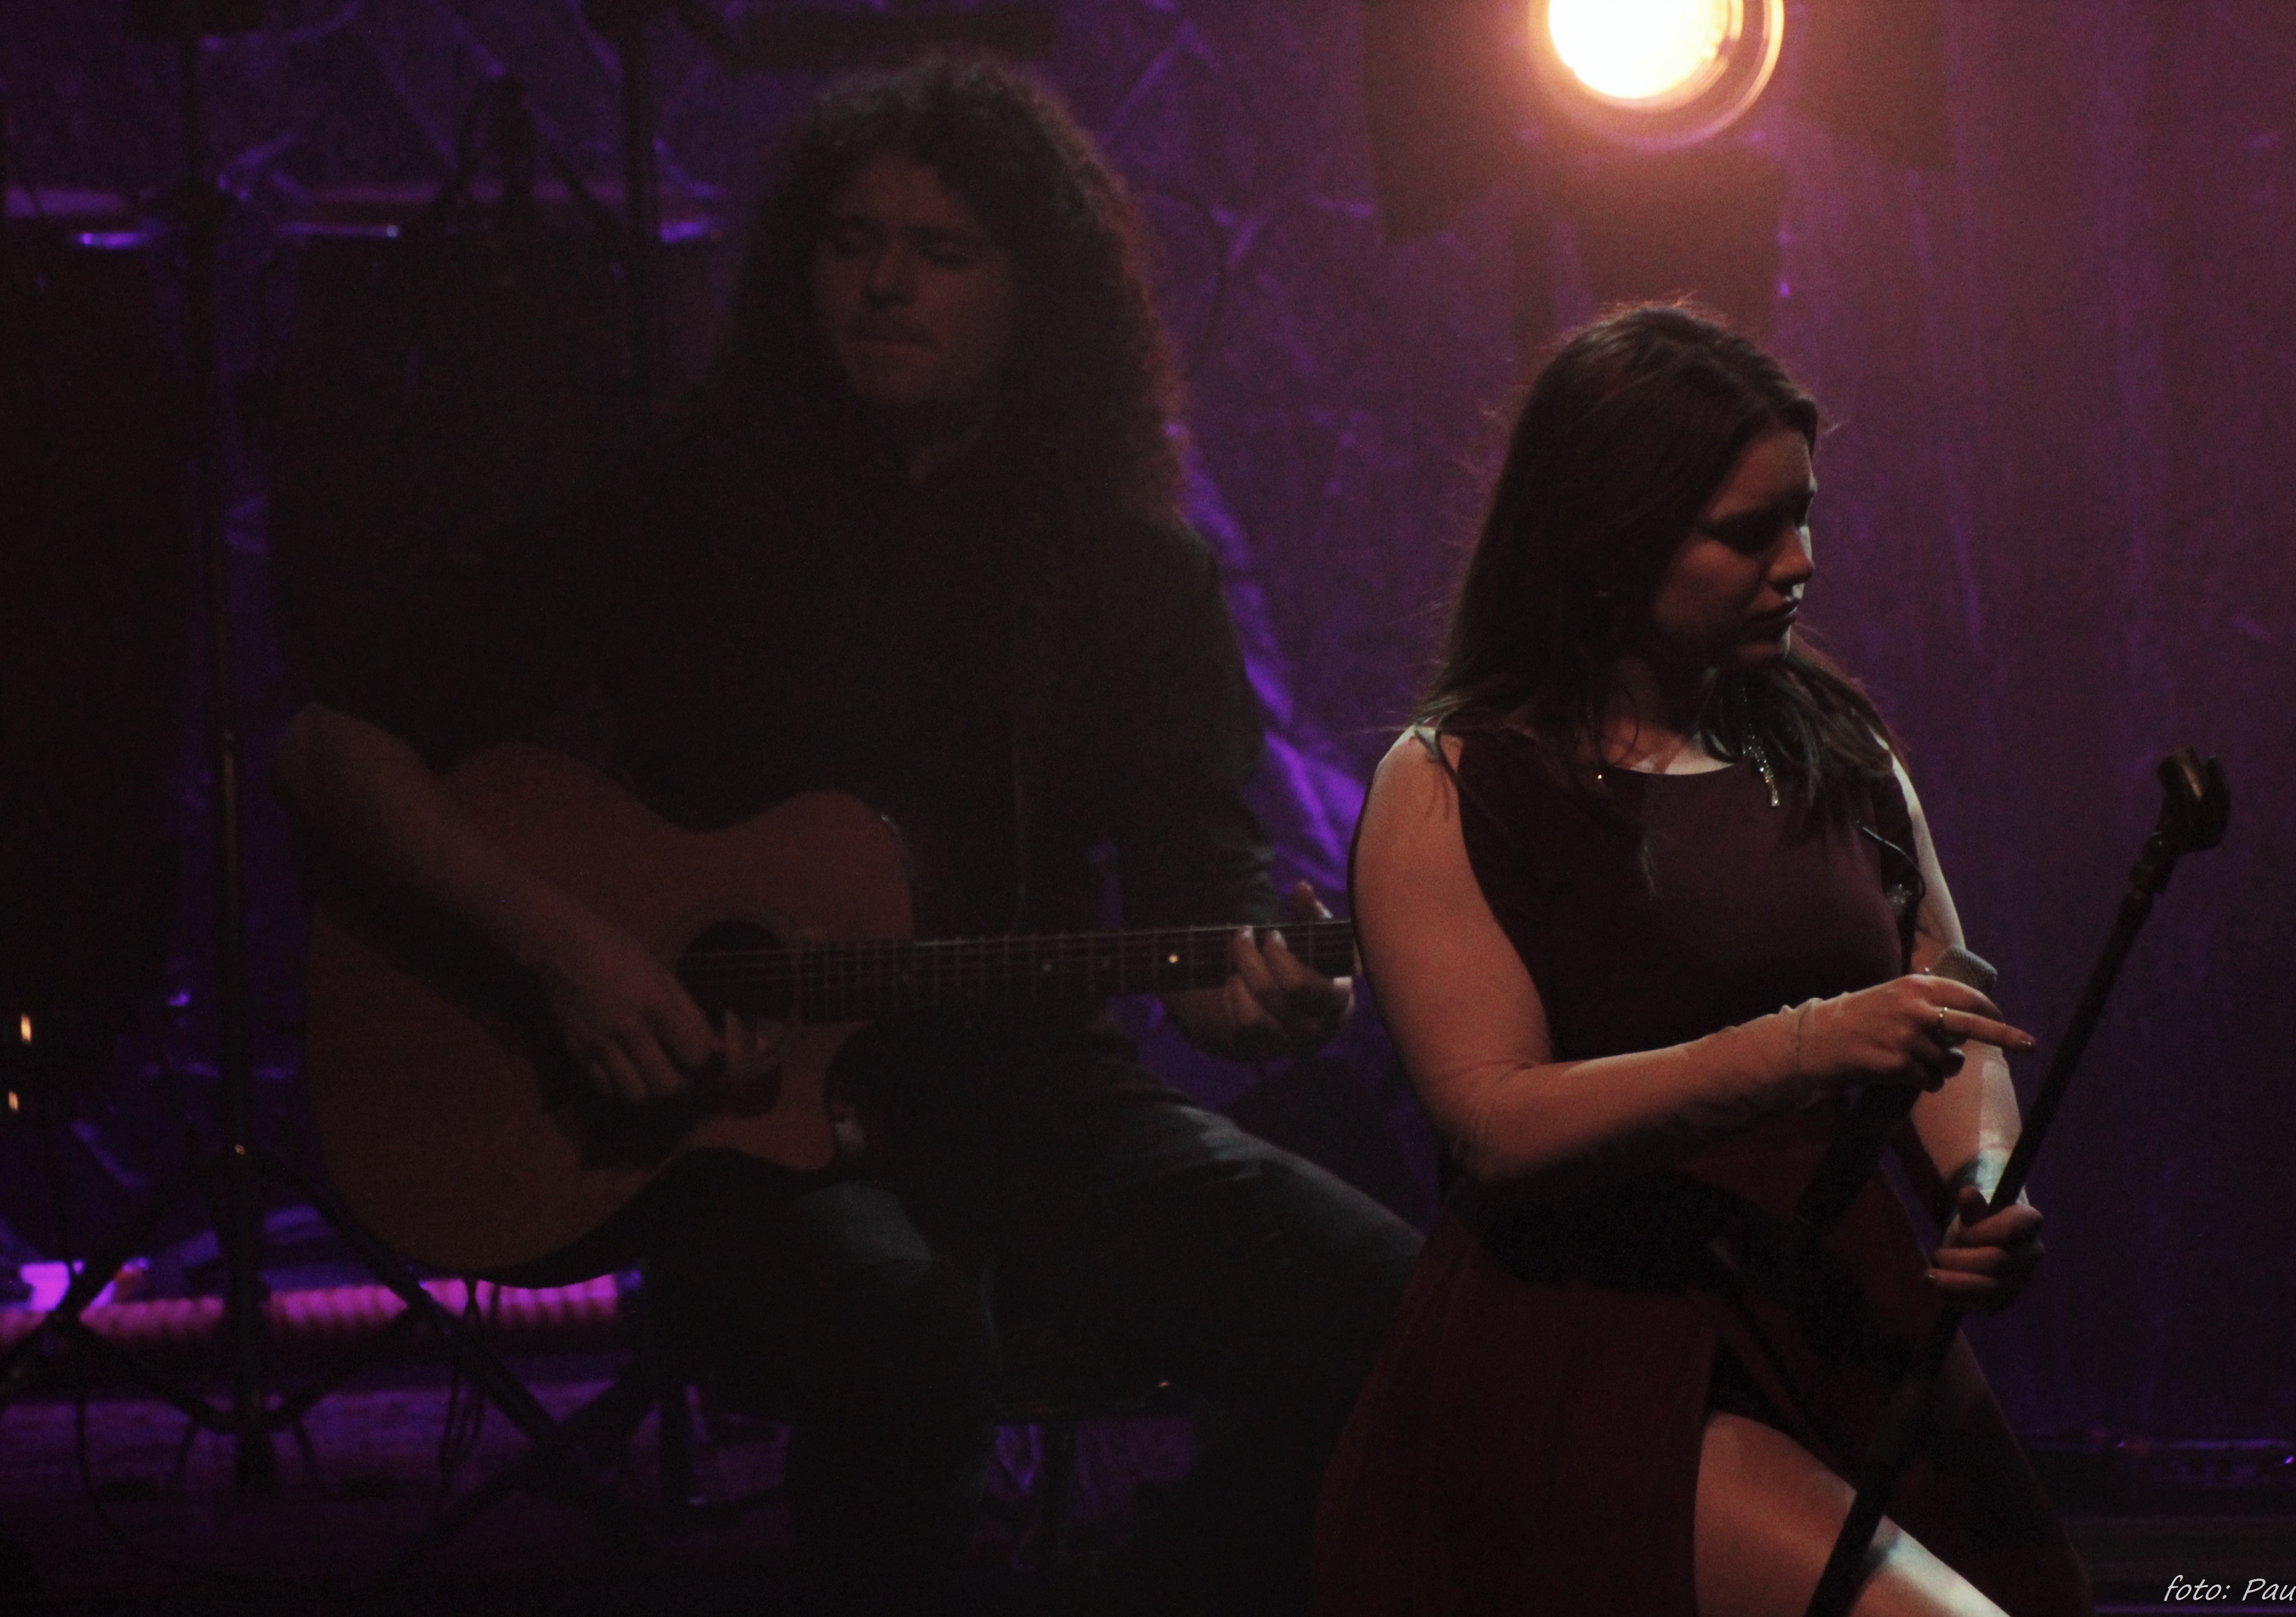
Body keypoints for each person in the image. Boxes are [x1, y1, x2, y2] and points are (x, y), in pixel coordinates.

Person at [275, 57, 1418, 1616]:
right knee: (904, 1333)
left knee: (1415, 1322)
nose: (883, 284)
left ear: (1037, 291)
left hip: (1039, 1107)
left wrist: (1273, 994)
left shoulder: (1133, 572)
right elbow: (334, 742)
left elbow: (1201, 900)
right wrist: (570, 951)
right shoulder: (687, 510)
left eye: (941, 252)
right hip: (728, 1140)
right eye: (849, 242)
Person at [1312, 306, 2092, 1615]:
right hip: (1598, 1343)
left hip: (1834, 1311)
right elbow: (1494, 1121)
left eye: (1804, 515)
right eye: (1748, 531)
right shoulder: (1452, 780)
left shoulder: (1832, 744)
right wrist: (1802, 1045)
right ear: (1606, 542)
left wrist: (1978, 1179)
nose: (1798, 563)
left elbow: (1940, 1001)